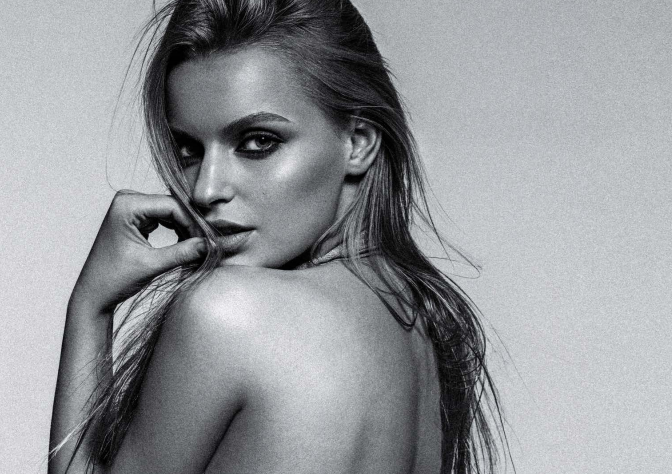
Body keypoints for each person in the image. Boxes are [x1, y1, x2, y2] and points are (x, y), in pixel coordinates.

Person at [49, 1, 507, 473]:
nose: (205, 189)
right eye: (188, 149)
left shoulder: (228, 312)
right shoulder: (421, 326)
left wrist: (91, 303)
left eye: (258, 142)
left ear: (358, 142)